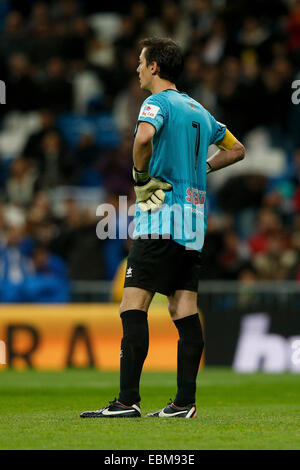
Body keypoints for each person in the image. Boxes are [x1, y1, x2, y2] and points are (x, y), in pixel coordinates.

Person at [80, 37, 245, 419]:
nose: (137, 69)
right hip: (193, 224)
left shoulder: (155, 103)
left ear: (154, 67)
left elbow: (143, 137)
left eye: (141, 62)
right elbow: (238, 150)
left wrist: (140, 176)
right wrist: (201, 168)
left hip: (160, 219)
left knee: (131, 304)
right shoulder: (200, 110)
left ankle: (126, 401)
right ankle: (184, 403)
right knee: (184, 308)